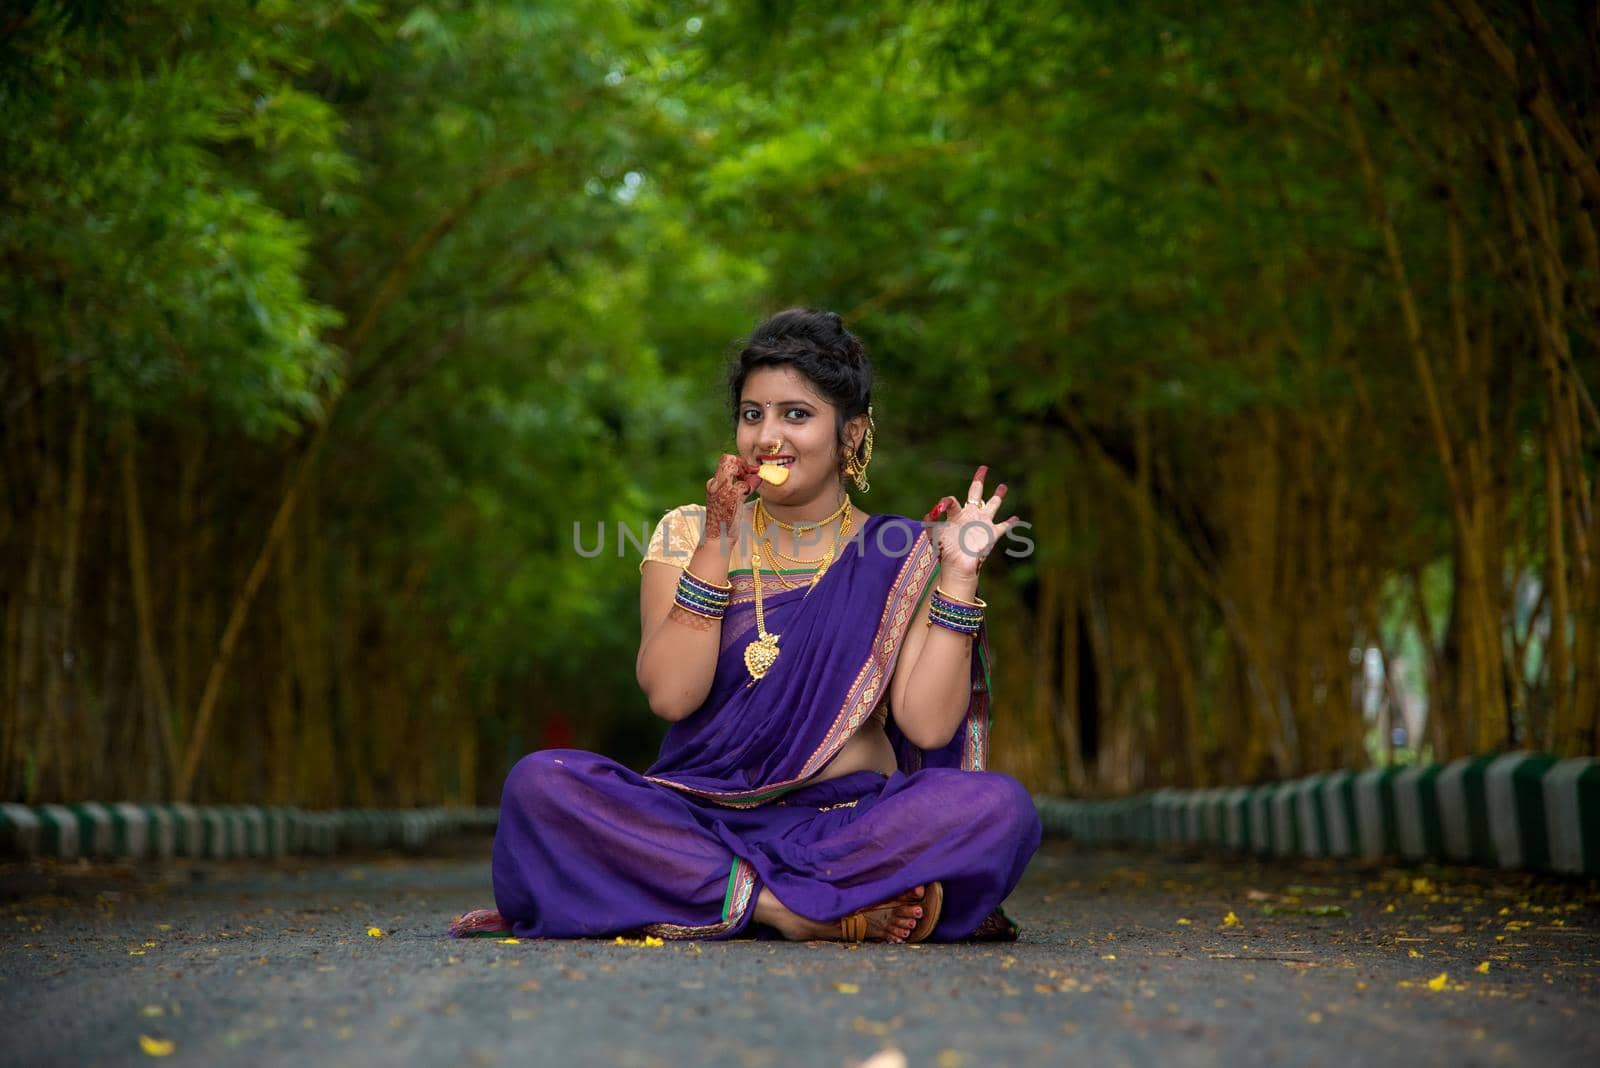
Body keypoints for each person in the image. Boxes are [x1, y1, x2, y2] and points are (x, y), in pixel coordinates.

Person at [451, 308, 1041, 943]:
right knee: (544, 786)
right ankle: (790, 908)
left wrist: (957, 577)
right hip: (699, 818)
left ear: (852, 433)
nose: (767, 437)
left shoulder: (902, 550)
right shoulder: (687, 531)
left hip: (843, 822)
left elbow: (926, 725)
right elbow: (672, 695)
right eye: (752, 414)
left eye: (796, 414)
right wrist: (717, 542)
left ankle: (738, 891)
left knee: (999, 809)